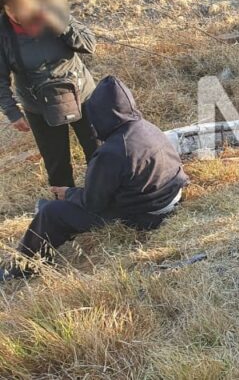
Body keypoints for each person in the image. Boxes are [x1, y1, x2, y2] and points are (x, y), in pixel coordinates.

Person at [1, 76, 188, 282]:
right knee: (56, 207)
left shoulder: (113, 151)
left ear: (101, 115)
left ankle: (25, 267)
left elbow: (93, 203)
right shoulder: (148, 127)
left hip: (145, 216)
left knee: (51, 213)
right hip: (171, 199)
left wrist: (68, 193)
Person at [0, 0, 100, 188]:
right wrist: (12, 112)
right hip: (39, 105)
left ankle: (105, 195)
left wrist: (61, 24)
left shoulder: (55, 13)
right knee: (57, 163)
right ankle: (65, 200)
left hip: (82, 95)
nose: (18, 14)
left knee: (98, 151)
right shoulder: (3, 33)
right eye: (11, 8)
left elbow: (89, 45)